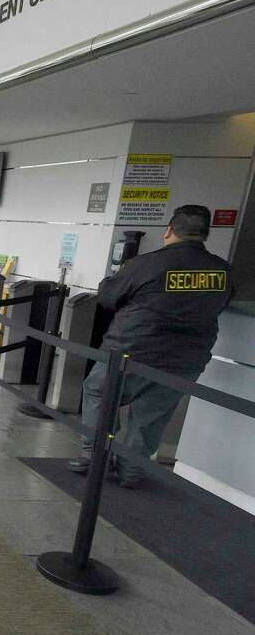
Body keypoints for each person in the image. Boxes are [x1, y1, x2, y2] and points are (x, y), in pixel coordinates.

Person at [69, 205, 233, 488]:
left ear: (169, 230)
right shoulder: (223, 271)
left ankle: (95, 455)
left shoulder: (146, 264)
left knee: (98, 392)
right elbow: (221, 304)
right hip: (185, 359)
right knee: (151, 417)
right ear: (205, 235)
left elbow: (108, 297)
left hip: (131, 350)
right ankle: (132, 471)